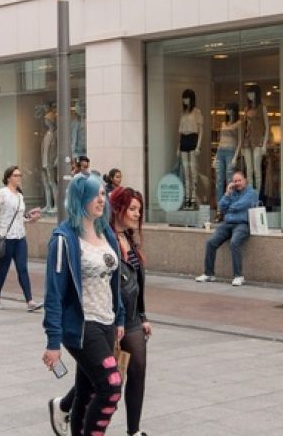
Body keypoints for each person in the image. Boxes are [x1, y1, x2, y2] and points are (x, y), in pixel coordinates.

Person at [43, 173, 125, 436]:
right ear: (81, 198)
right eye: (95, 194)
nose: (101, 199)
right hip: (81, 325)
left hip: (106, 322)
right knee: (111, 387)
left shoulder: (106, 233)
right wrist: (53, 342)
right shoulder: (64, 239)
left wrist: (119, 318)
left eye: (103, 193)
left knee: (88, 390)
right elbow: (54, 293)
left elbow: (114, 283)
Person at [110, 186, 151, 436]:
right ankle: (65, 405)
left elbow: (137, 283)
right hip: (115, 317)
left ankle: (133, 432)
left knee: (137, 370)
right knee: (103, 378)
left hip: (133, 318)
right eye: (132, 209)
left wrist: (144, 316)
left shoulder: (128, 239)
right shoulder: (107, 240)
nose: (137, 214)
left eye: (139, 210)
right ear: (118, 209)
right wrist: (117, 319)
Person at [0, 165, 43, 309]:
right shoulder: (1, 194)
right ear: (9, 177)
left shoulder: (20, 195)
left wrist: (30, 219)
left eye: (20, 175)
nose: (19, 178)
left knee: (22, 268)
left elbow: (19, 217)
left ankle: (30, 301)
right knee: (3, 268)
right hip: (6, 237)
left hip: (20, 237)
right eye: (16, 175)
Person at [195, 167, 259, 285]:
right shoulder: (232, 193)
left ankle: (238, 276)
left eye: (239, 180)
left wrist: (229, 207)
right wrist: (227, 193)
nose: (237, 183)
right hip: (228, 224)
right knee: (211, 242)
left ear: (245, 180)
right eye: (235, 181)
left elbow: (239, 206)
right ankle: (209, 274)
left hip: (242, 224)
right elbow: (221, 206)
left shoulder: (251, 193)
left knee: (234, 243)